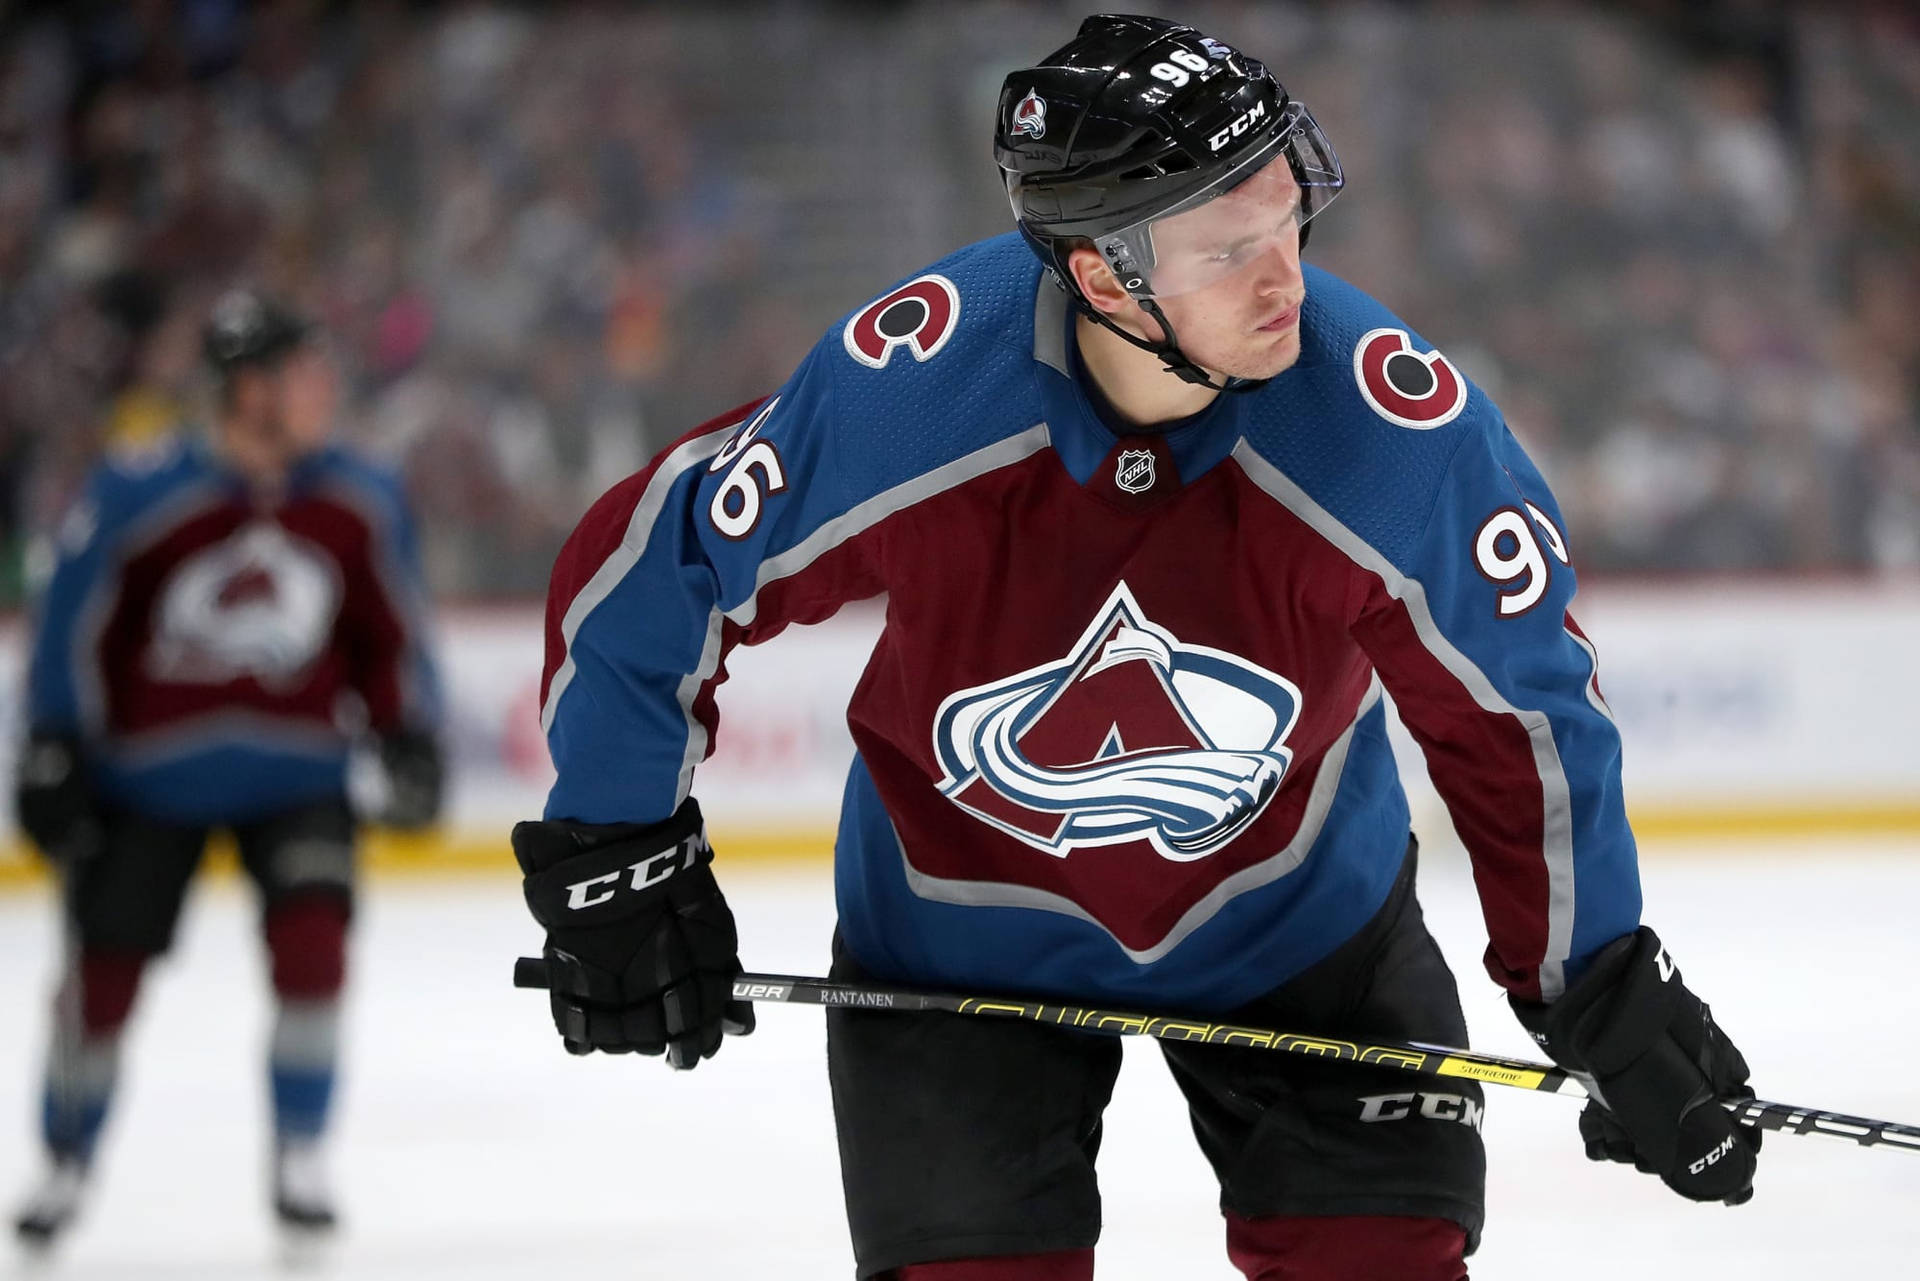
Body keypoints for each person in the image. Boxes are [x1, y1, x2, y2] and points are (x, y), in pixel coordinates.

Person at [514, 15, 1759, 1279]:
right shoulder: (919, 389)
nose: (1288, 278)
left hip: (1303, 937)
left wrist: (1598, 986)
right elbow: (665, 562)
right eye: (1230, 250)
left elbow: (1523, 717)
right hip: (956, 946)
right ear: (1103, 277)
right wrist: (616, 849)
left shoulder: (1396, 436)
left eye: (1286, 214)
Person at [12, 289, 445, 1248]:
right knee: (102, 978)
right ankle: (66, 1157)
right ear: (249, 388)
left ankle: (301, 1152)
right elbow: (70, 632)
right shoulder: (136, 491)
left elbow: (390, 636)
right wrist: (53, 742)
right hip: (143, 783)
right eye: (303, 372)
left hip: (299, 777)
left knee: (313, 953)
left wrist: (407, 731)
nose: (325, 389)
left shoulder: (355, 498)